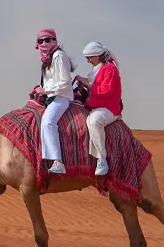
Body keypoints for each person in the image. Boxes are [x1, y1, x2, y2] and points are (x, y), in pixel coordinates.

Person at [33, 29, 75, 175]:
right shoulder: (47, 59)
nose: (44, 43)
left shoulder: (59, 56)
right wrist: (41, 89)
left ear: (55, 40)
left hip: (61, 97)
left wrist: (45, 91)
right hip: (50, 97)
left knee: (48, 122)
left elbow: (65, 82)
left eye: (48, 39)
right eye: (41, 41)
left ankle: (58, 162)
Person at [76, 41, 122, 176]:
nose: (88, 61)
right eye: (87, 58)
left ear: (98, 55)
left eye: (90, 57)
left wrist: (88, 85)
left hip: (108, 108)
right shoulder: (96, 70)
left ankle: (102, 159)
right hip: (95, 105)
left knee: (94, 121)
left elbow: (106, 90)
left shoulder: (110, 69)